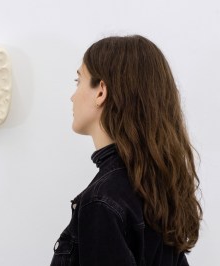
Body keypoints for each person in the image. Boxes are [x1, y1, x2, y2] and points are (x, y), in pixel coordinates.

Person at [50, 35, 202, 266]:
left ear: (101, 91)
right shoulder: (158, 189)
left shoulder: (102, 200)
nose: (72, 96)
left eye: (78, 80)